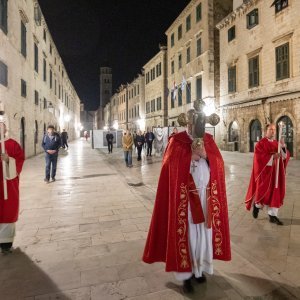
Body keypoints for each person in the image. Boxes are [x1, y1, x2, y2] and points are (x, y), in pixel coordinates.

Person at [142, 111, 231, 293]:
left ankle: (199, 270)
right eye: (191, 124)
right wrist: (189, 158)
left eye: (198, 124)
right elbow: (168, 166)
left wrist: (206, 155)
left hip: (205, 198)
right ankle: (185, 276)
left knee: (203, 235)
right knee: (188, 235)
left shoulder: (209, 140)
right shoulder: (177, 140)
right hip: (185, 200)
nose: (194, 127)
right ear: (187, 123)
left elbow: (219, 165)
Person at [245, 123, 290, 225]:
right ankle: (256, 207)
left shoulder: (277, 143)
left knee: (275, 193)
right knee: (263, 193)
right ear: (266, 131)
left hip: (276, 174)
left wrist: (283, 147)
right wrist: (272, 157)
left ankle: (273, 215)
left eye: (274, 129)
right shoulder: (261, 143)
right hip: (265, 174)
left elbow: (284, 157)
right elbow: (258, 158)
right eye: (270, 129)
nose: (273, 131)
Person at [0, 122, 25, 254]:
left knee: (7, 211)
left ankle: (5, 244)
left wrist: (9, 159)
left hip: (8, 185)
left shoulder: (12, 144)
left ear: (5, 129)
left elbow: (20, 159)